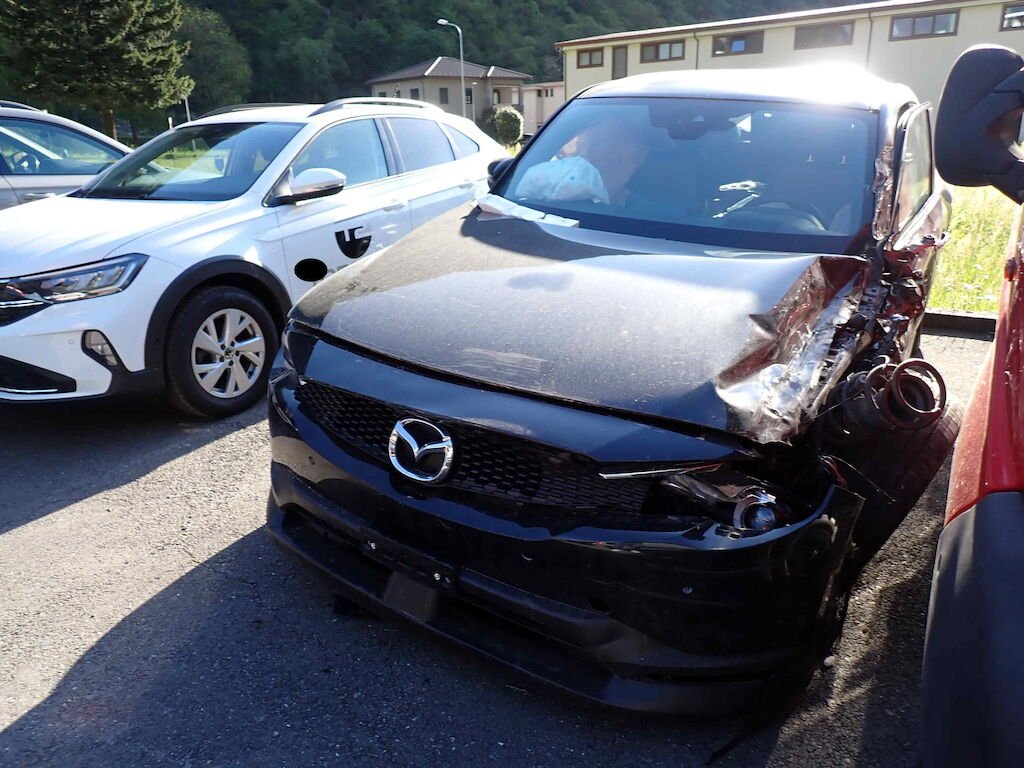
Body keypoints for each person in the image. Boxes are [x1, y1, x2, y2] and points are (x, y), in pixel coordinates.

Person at [514, 115, 650, 207]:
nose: (581, 158)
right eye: (581, 147)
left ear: (636, 156)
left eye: (595, 146)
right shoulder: (549, 191)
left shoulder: (648, 213)